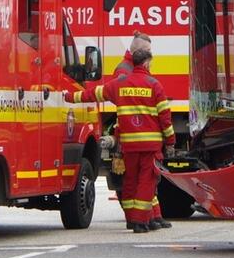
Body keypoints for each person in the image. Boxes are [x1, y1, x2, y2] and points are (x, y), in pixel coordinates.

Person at [71, 47, 175, 233]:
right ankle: (140, 222)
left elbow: (93, 93)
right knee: (146, 182)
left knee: (130, 181)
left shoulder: (120, 83)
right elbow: (165, 118)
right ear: (146, 63)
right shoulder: (154, 85)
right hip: (150, 146)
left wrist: (69, 96)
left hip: (129, 145)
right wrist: (170, 142)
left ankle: (131, 219)